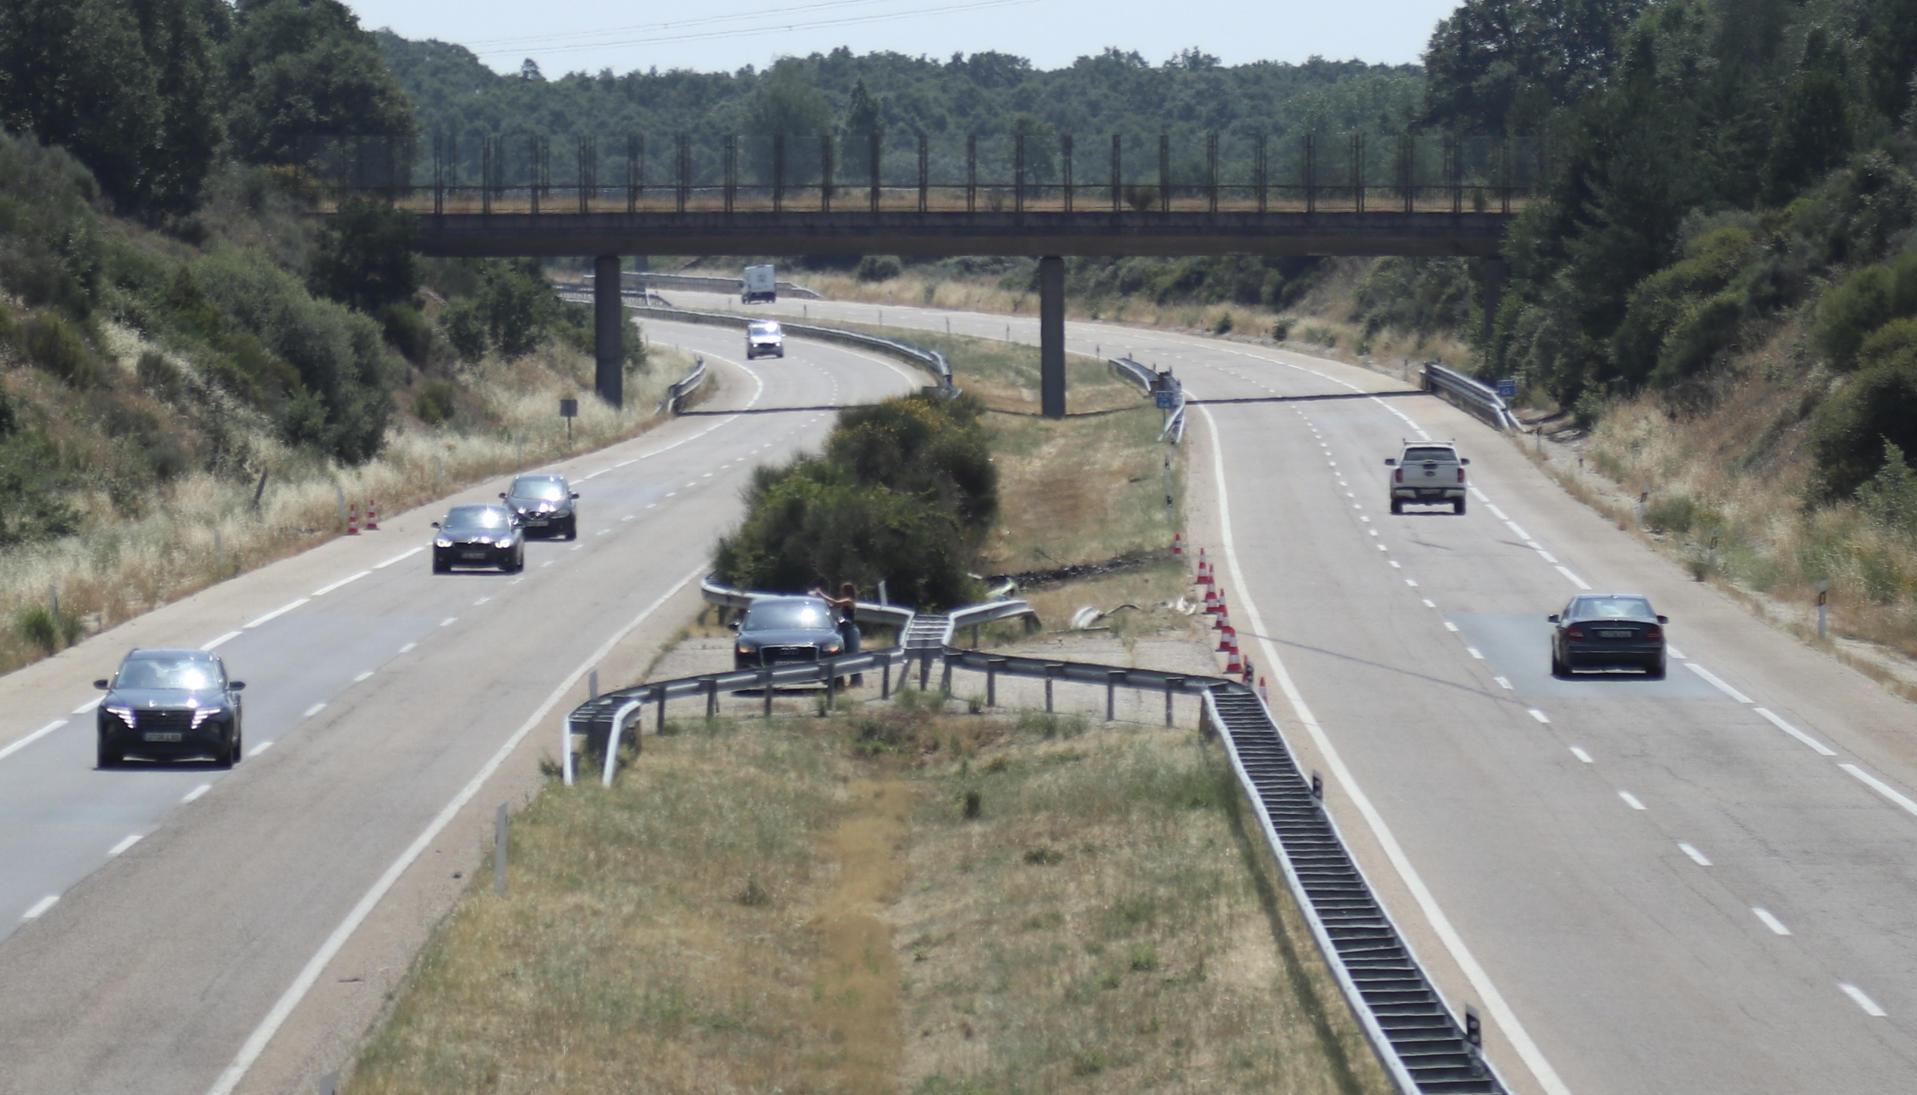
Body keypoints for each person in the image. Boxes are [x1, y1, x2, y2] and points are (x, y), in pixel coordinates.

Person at [815, 581, 863, 687]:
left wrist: (821, 594)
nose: (841, 592)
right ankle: (852, 681)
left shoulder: (849, 601)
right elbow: (832, 606)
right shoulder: (845, 602)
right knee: (844, 654)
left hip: (850, 630)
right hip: (844, 629)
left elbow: (835, 603)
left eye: (842, 590)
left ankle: (857, 681)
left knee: (852, 655)